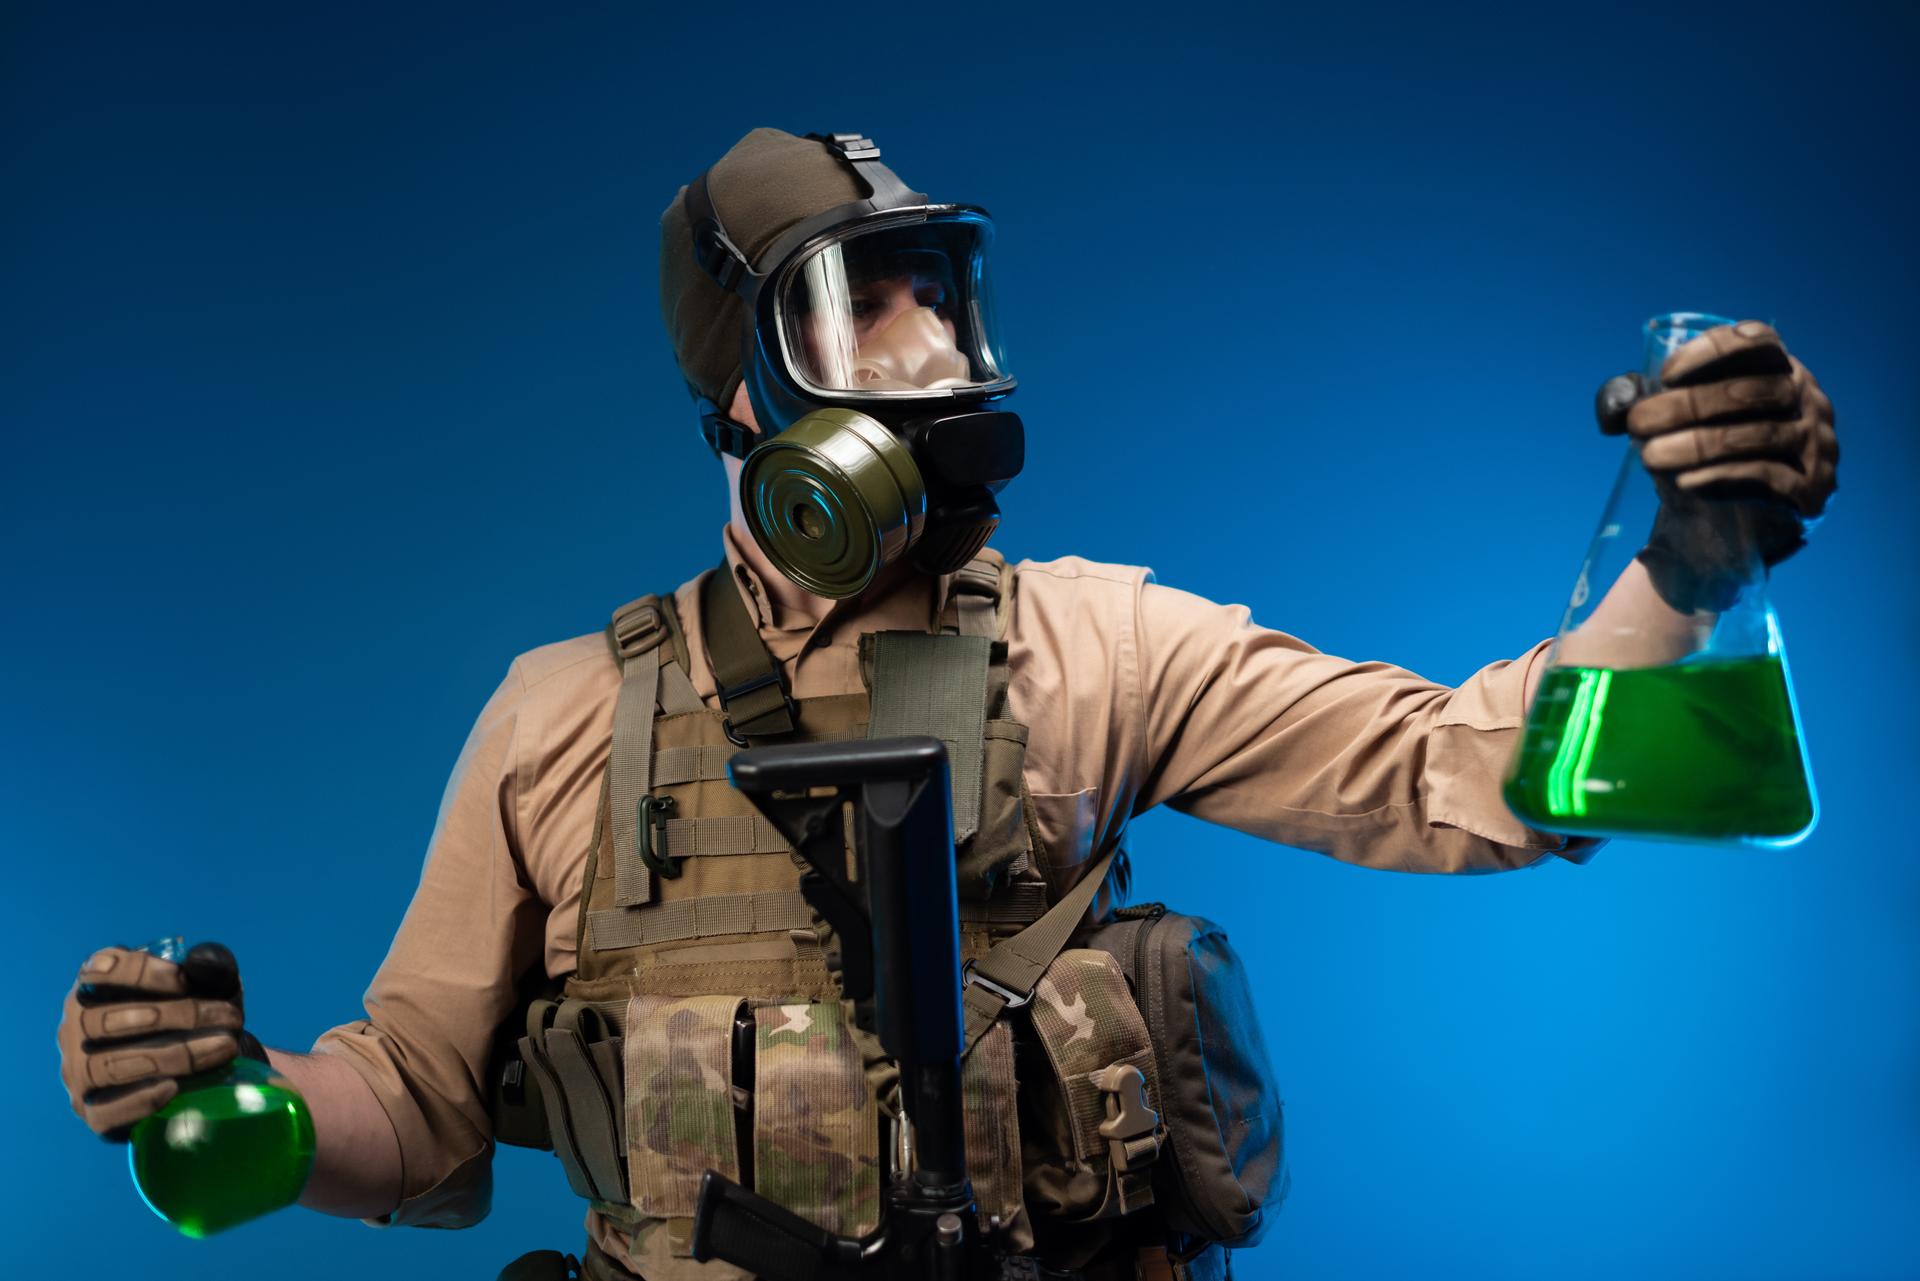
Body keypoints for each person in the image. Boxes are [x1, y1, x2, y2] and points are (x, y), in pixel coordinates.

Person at [57, 128, 1840, 1280]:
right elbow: (422, 1100)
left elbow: (1471, 776)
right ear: (747, 397)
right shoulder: (555, 719)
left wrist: (1690, 558)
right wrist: (237, 1096)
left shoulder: (1095, 645)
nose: (924, 349)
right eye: (855, 308)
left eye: (939, 293)